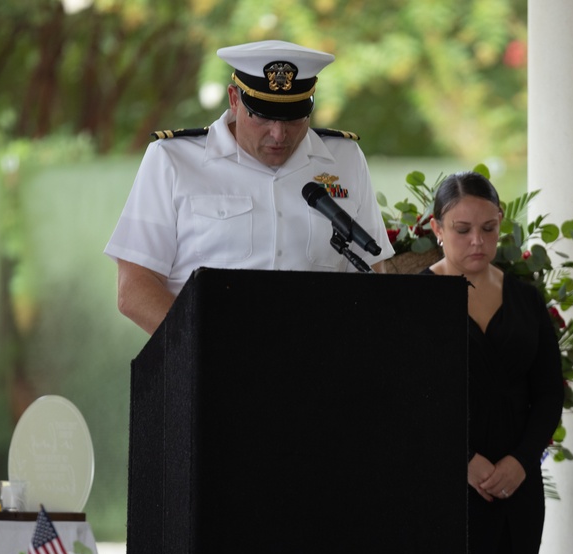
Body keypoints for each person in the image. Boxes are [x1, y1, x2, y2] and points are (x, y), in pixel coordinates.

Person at [104, 40, 394, 334]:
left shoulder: (344, 159)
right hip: (209, 367)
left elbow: (373, 270)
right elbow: (135, 289)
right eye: (264, 116)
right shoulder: (173, 159)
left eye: (293, 118)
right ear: (234, 99)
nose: (279, 134)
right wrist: (205, 349)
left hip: (319, 365)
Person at [423, 172, 564, 554]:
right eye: (462, 231)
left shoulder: (524, 299)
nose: (477, 242)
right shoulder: (413, 301)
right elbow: (407, 403)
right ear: (436, 229)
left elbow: (548, 393)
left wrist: (521, 462)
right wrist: (461, 460)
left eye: (488, 228)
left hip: (513, 485)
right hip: (438, 486)